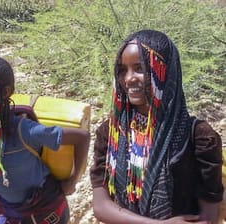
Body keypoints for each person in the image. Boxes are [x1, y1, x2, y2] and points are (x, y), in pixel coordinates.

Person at [90, 30, 224, 224]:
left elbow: (208, 216)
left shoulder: (198, 136)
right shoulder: (112, 132)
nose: (128, 78)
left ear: (165, 71)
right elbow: (101, 206)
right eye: (122, 69)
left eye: (139, 68)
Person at [0, 55, 90, 224]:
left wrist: (72, 181)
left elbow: (82, 137)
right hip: (6, 211)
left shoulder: (23, 130)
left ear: (5, 93)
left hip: (46, 212)